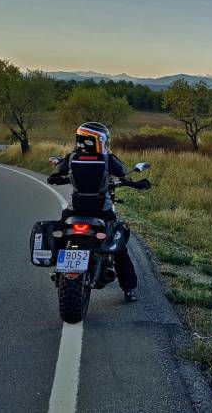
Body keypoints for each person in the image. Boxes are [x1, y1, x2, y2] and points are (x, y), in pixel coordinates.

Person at [48, 122, 139, 302]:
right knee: (118, 248)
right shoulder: (107, 159)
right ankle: (129, 289)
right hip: (102, 211)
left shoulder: (72, 157)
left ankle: (57, 268)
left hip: (75, 209)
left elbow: (59, 171)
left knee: (61, 231)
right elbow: (121, 171)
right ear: (97, 140)